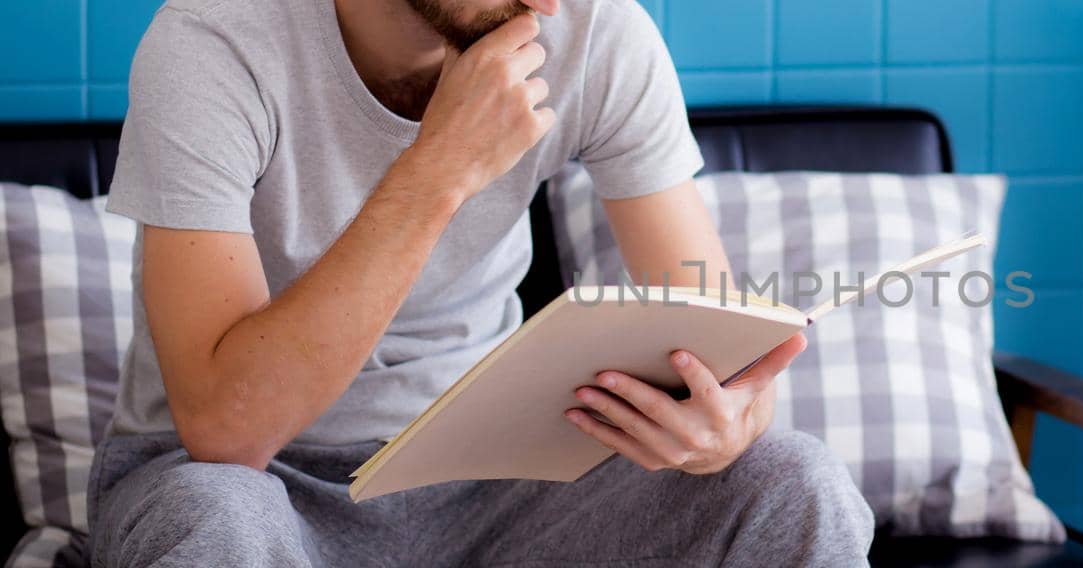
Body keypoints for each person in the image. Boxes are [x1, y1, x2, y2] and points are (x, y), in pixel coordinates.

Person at [88, 0, 874, 565]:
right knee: (214, 516)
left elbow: (725, 336)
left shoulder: (597, 34)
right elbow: (226, 433)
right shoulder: (210, 41)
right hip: (253, 484)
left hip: (487, 477)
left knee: (791, 478)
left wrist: (728, 425)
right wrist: (437, 170)